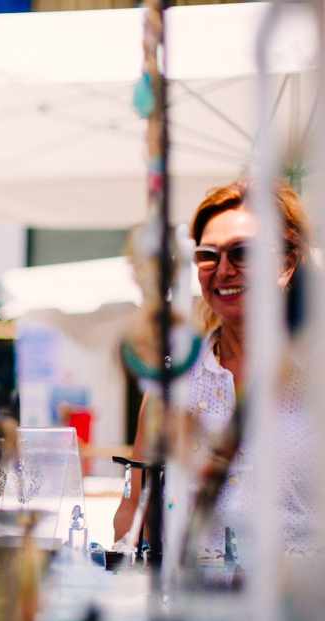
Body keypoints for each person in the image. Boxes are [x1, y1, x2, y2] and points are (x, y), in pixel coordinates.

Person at [112, 178, 316, 553]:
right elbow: (135, 508)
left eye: (242, 252)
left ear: (286, 265)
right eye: (209, 255)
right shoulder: (171, 383)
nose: (223, 270)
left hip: (296, 607)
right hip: (191, 604)